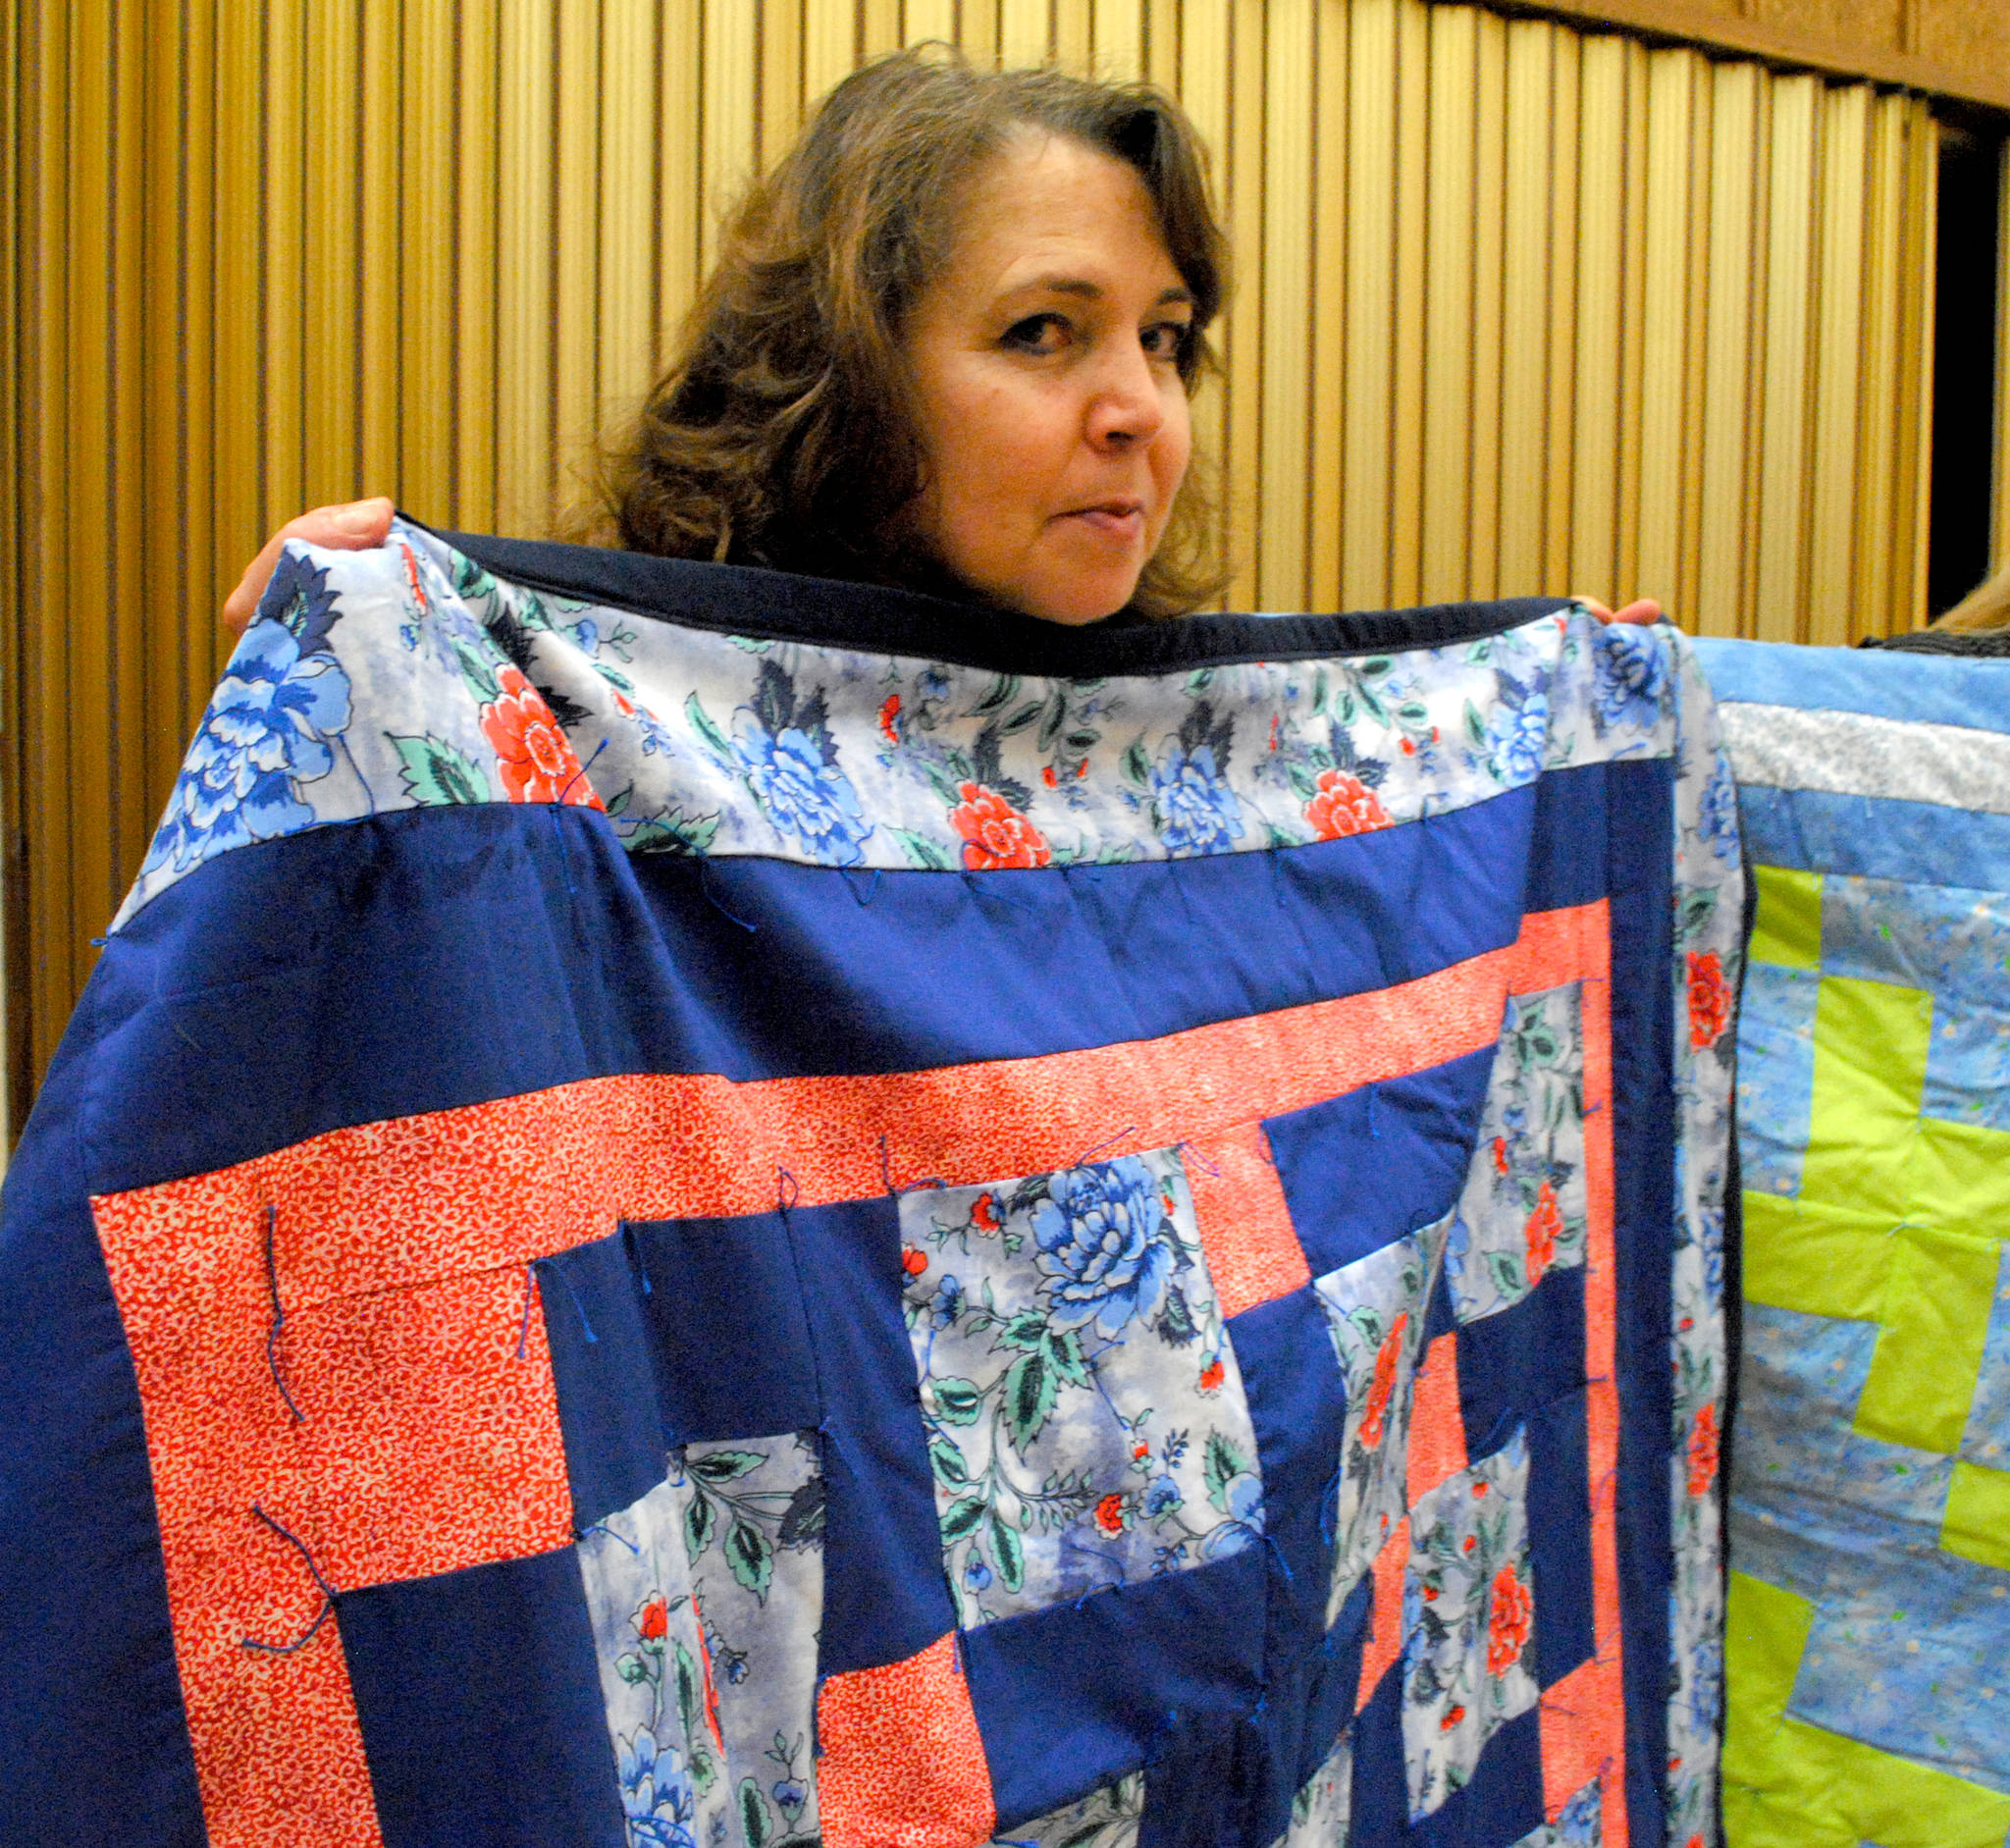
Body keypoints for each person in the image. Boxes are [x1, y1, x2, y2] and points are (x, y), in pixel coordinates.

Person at [220, 47, 1658, 637]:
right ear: (845, 383)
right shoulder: (597, 763)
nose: (1140, 412)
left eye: (1165, 342)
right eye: (1046, 333)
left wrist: (1551, 746)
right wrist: (338, 694)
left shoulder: (1223, 761)